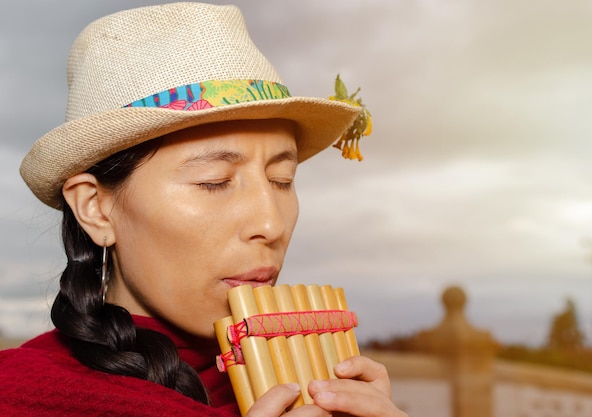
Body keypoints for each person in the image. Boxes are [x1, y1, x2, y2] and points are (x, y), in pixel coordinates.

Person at [0, 3, 406, 417]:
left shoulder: (319, 379)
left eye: (282, 180)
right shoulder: (16, 399)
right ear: (95, 209)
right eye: (214, 181)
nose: (270, 223)